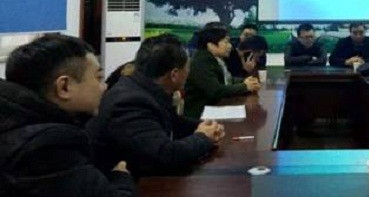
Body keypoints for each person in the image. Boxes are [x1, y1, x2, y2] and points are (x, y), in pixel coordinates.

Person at [0, 35, 136, 197]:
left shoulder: (17, 121)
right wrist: (121, 176)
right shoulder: (47, 146)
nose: (104, 87)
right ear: (64, 87)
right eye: (98, 77)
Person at [86, 34, 224, 178]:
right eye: (187, 67)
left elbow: (173, 122)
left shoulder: (144, 87)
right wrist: (203, 138)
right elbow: (165, 155)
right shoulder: (130, 102)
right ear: (174, 75)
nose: (189, 72)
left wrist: (206, 126)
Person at [184, 27, 260, 118]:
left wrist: (247, 81)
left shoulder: (214, 58)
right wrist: (245, 86)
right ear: (211, 45)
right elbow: (216, 91)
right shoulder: (202, 61)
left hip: (214, 108)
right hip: (200, 115)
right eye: (226, 42)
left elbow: (227, 79)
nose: (230, 46)